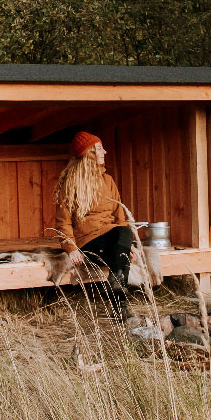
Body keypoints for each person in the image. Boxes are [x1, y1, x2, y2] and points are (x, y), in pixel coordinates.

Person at [52, 130, 134, 318]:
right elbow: (63, 222)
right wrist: (71, 248)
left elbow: (120, 216)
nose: (104, 152)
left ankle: (115, 287)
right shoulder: (71, 183)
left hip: (112, 233)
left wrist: (128, 244)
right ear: (89, 153)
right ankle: (119, 307)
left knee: (125, 232)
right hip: (88, 239)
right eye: (99, 148)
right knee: (122, 252)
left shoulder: (108, 180)